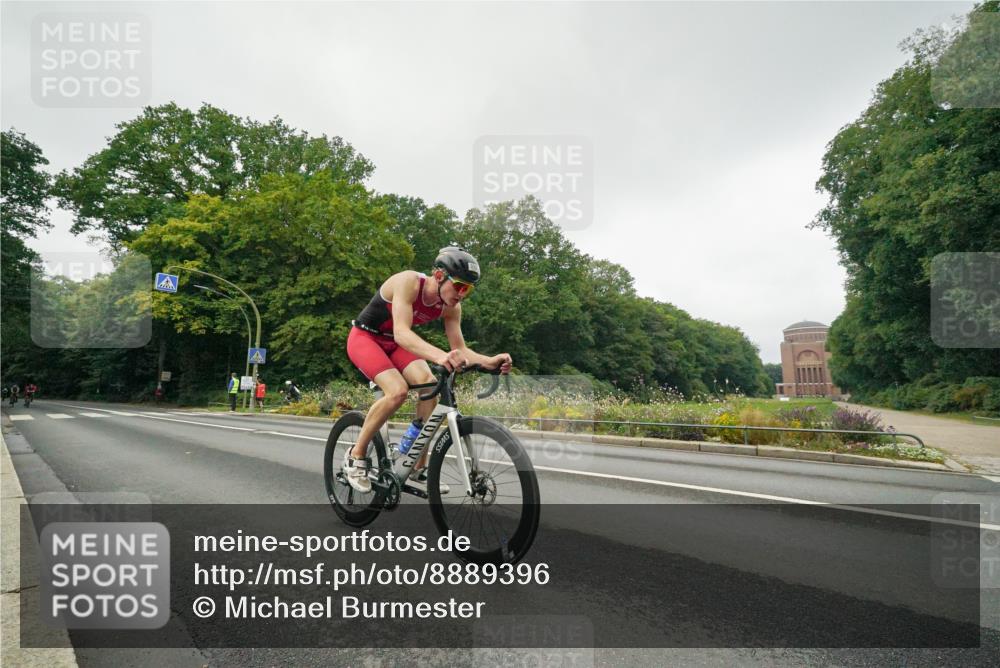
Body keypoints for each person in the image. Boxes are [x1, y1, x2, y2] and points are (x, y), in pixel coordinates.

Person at [343, 246, 512, 493]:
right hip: (365, 338)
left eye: (468, 289)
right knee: (397, 391)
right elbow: (402, 332)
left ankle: (416, 466)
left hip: (394, 343)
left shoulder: (452, 307)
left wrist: (489, 361)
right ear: (439, 275)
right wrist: (442, 356)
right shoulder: (409, 282)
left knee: (430, 384)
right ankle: (356, 455)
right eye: (459, 286)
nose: (462, 294)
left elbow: (460, 349)